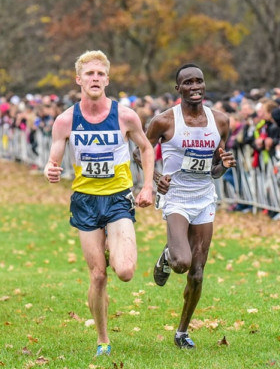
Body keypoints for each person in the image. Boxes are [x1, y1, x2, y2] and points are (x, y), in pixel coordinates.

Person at [44, 50, 154, 357]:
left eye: (100, 74)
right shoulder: (66, 120)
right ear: (79, 79)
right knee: (98, 275)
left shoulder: (126, 116)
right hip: (85, 202)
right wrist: (50, 169)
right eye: (89, 74)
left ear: (107, 79)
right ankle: (103, 339)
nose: (95, 78)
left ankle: (117, 244)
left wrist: (147, 187)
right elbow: (53, 160)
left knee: (126, 272)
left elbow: (146, 149)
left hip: (118, 198)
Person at [133, 63, 236, 349]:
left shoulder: (221, 121)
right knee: (181, 263)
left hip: (204, 198)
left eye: (199, 81)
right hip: (176, 196)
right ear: (178, 89)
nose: (194, 87)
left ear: (205, 85)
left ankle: (181, 332)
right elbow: (139, 153)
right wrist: (155, 179)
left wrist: (223, 167)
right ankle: (168, 256)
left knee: (198, 273)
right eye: (187, 83)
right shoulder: (164, 121)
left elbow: (214, 170)